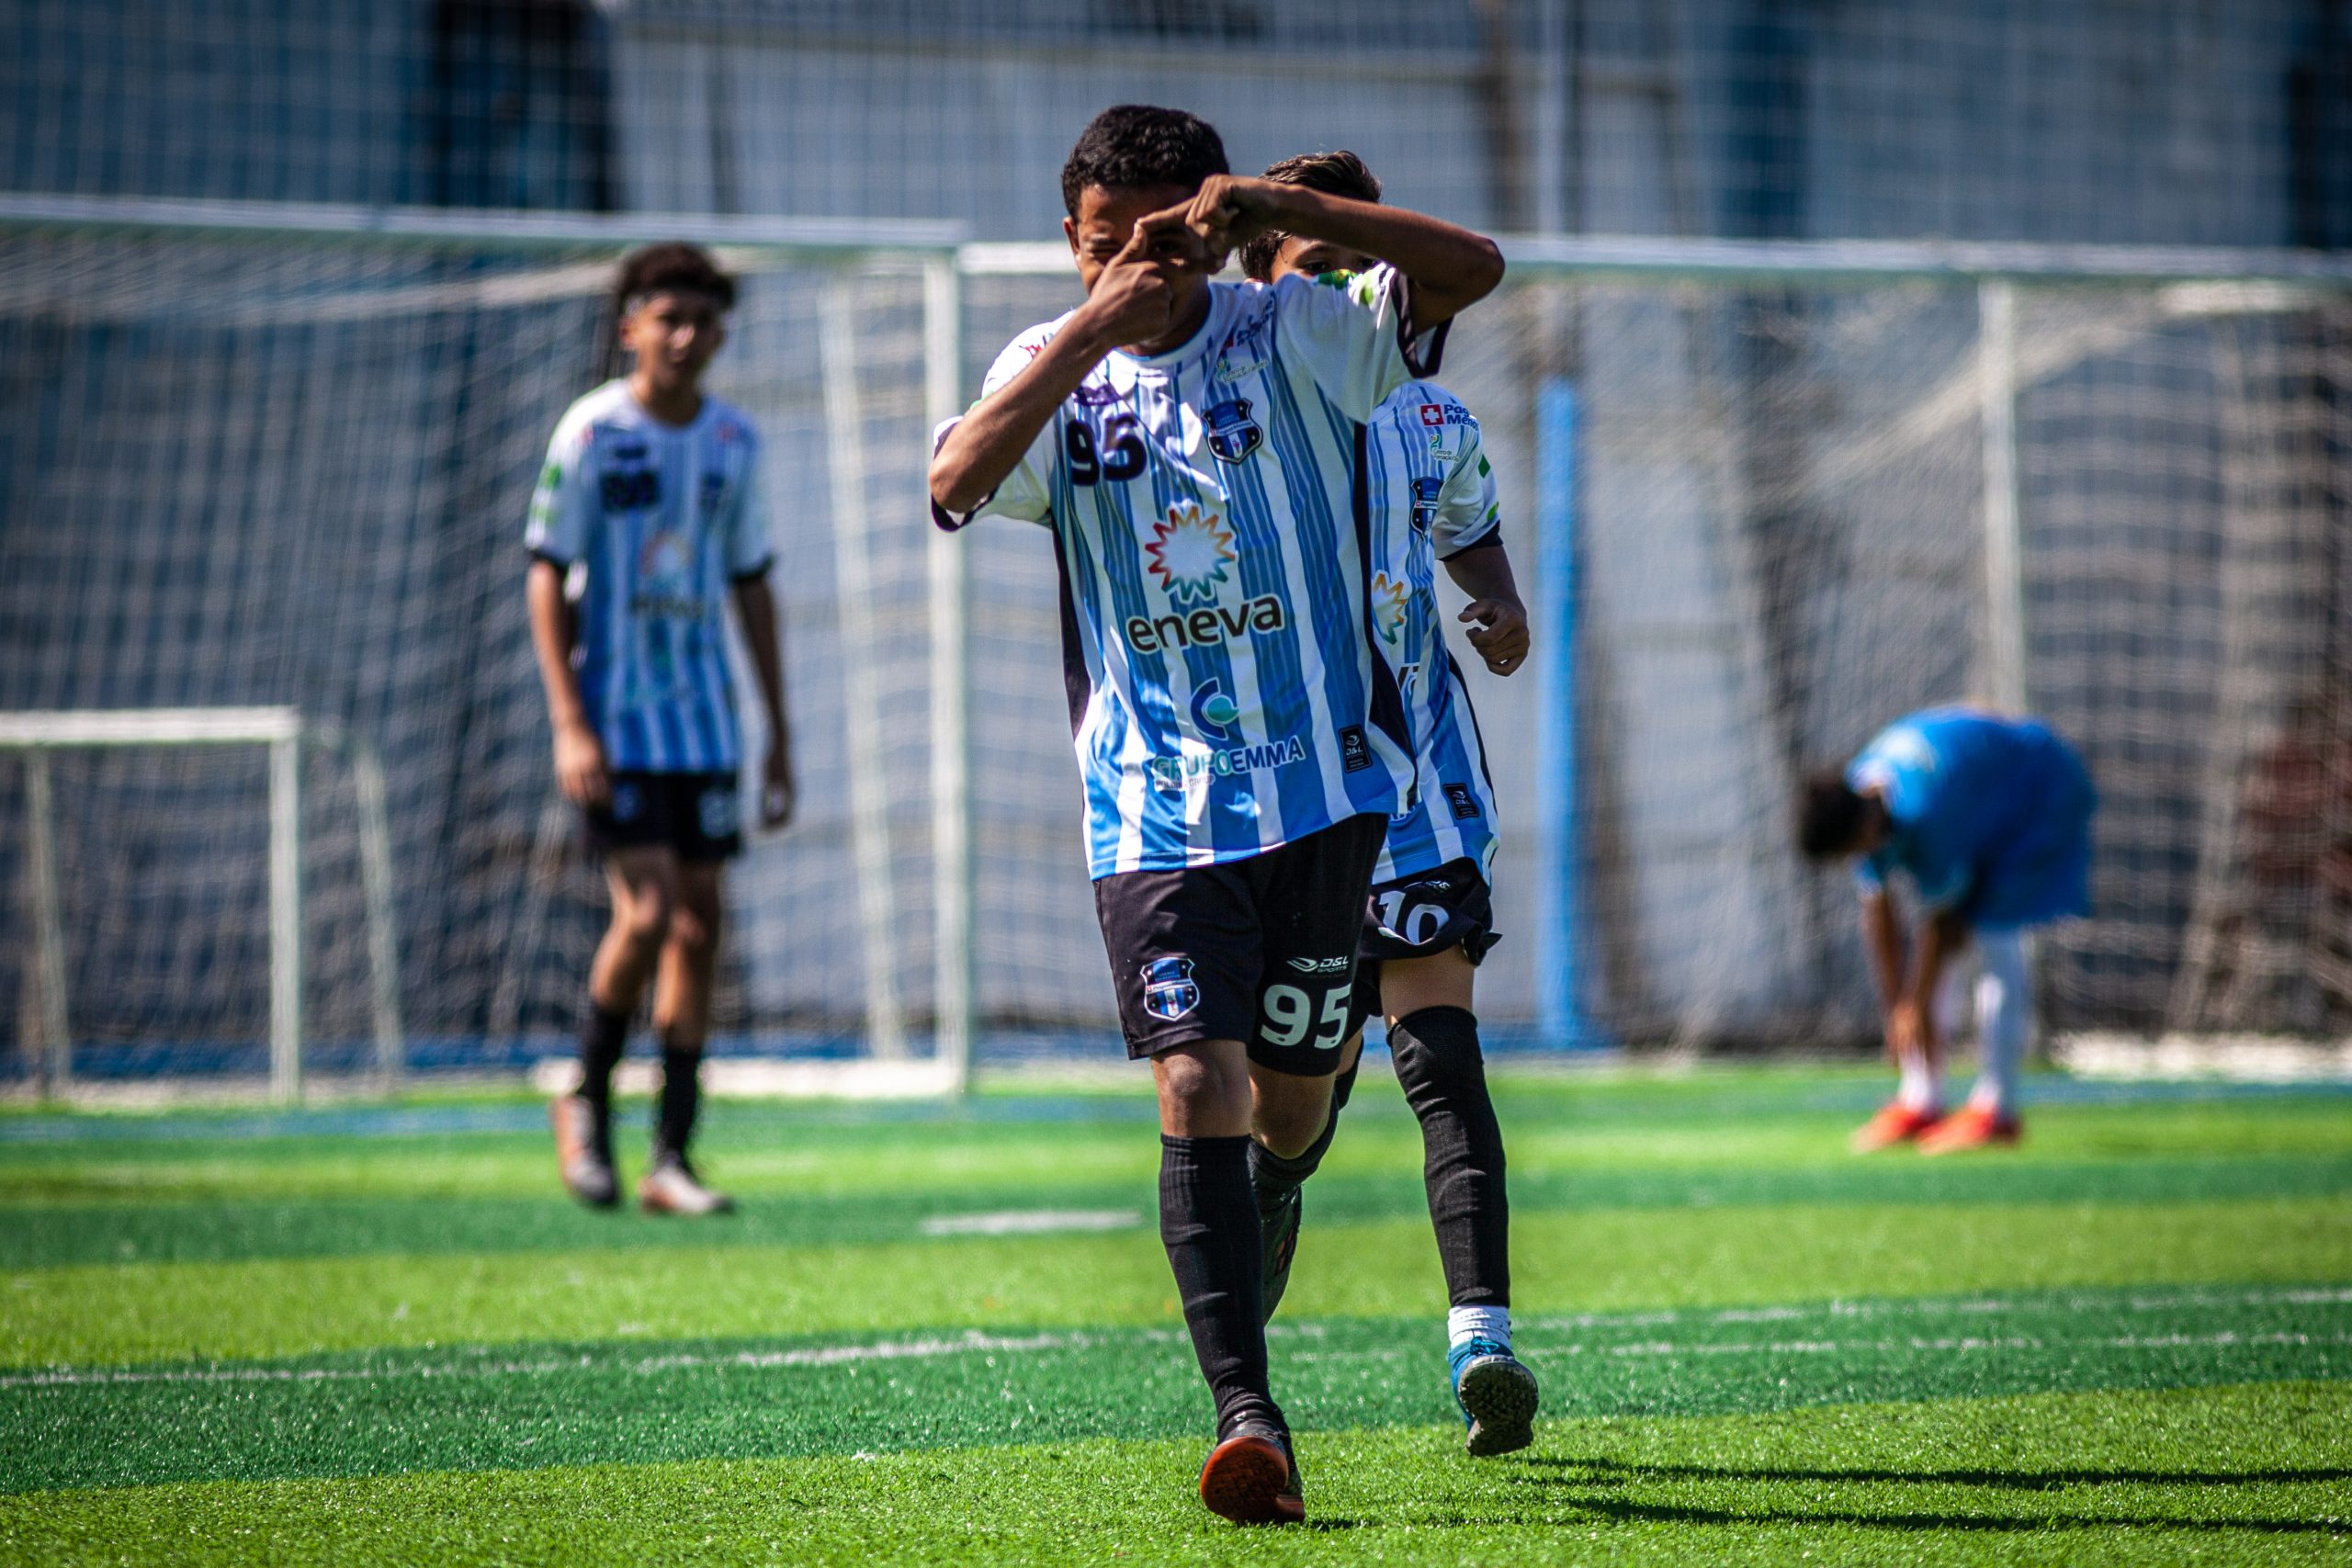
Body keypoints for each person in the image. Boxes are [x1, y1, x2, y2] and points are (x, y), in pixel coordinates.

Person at [928, 106, 1503, 1525]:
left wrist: (1273, 211)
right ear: (1069, 241)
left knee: (1291, 1111)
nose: (1134, 263)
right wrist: (1091, 327)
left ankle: (1280, 1184)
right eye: (1101, 243)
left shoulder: (1291, 330)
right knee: (1197, 1082)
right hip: (1152, 806)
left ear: (1212, 219)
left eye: (1161, 235)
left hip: (1325, 793)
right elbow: (952, 482)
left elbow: (1473, 268)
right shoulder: (1050, 368)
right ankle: (1252, 1418)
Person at [1236, 150, 1536, 1459]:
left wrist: (1501, 603)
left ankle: (1483, 1340)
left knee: (1443, 1062)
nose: (1347, 294)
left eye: (1362, 267)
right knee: (1292, 1108)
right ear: (1260, 283)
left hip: (1418, 786)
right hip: (1288, 800)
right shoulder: (1229, 413)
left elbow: (1468, 526)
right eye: (1314, 269)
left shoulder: (1427, 413)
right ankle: (1272, 1192)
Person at [525, 243, 795, 1215]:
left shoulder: (733, 441)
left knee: (698, 926)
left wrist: (778, 732)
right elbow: (545, 570)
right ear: (630, 325)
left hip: (705, 725)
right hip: (615, 720)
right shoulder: (593, 431)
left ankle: (670, 1159)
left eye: (702, 320)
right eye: (667, 317)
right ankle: (583, 1097)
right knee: (644, 913)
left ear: (721, 334)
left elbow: (752, 582)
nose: (685, 336)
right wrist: (569, 722)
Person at [1795, 706, 2096, 1154]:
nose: (1854, 860)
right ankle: (1922, 1100)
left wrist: (1914, 1006)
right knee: (1940, 958)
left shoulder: (1926, 814)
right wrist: (1897, 1008)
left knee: (1993, 934)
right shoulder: (1862, 796)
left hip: (2037, 794)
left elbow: (1942, 923)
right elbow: (1878, 909)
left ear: (1865, 827)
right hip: (1982, 800)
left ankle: (1998, 1110)